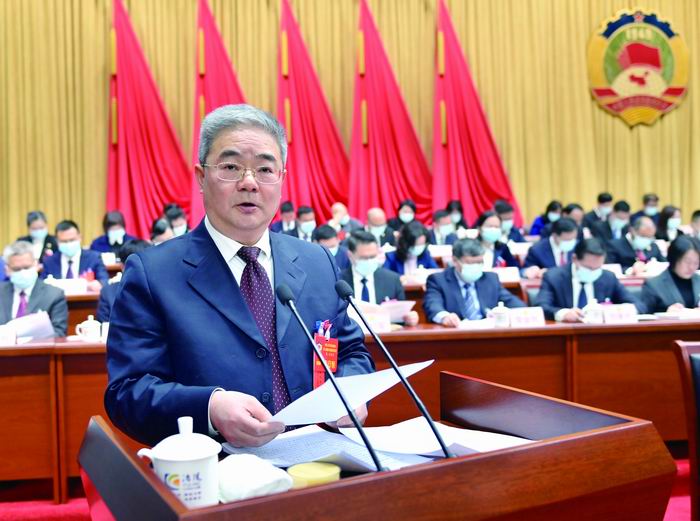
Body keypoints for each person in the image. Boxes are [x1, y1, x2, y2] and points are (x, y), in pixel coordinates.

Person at [105, 104, 373, 447]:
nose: (249, 183)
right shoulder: (153, 273)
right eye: (231, 167)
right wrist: (209, 407)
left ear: (281, 179)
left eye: (265, 169)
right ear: (201, 177)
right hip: (218, 466)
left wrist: (350, 391)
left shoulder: (317, 262)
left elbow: (351, 352)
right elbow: (127, 392)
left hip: (321, 461)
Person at [423, 238, 525, 327]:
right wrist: (445, 317)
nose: (475, 266)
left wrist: (524, 312)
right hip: (455, 334)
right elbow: (432, 305)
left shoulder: (490, 279)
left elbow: (513, 302)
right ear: (455, 261)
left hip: (487, 333)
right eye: (470, 263)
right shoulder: (438, 280)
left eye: (479, 262)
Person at [534, 238, 642, 322]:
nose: (593, 272)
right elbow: (541, 307)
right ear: (575, 259)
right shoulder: (554, 277)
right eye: (588, 268)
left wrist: (611, 312)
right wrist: (562, 314)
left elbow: (639, 305)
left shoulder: (608, 277)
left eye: (597, 268)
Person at [340, 231, 419, 325]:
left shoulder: (392, 280)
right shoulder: (339, 282)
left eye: (373, 256)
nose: (369, 261)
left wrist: (409, 318)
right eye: (364, 258)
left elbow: (402, 317)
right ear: (350, 255)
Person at [0, 241, 67, 337]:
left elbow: (59, 333)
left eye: (26, 267)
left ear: (36, 265)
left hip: (40, 346)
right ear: (7, 270)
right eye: (17, 269)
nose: (22, 273)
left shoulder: (54, 295)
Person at [41, 220, 108, 291]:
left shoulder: (94, 258)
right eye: (64, 241)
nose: (68, 244)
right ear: (57, 241)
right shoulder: (49, 261)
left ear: (80, 237)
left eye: (72, 240)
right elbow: (41, 286)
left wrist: (98, 284)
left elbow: (104, 281)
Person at [96, 240, 152, 323]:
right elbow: (104, 325)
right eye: (137, 265)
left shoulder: (161, 291)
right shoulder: (109, 292)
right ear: (122, 266)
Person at [641, 236, 700, 313]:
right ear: (674, 258)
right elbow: (645, 315)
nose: (691, 267)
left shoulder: (698, 280)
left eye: (696, 263)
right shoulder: (653, 285)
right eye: (687, 262)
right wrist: (666, 314)